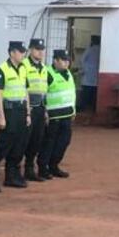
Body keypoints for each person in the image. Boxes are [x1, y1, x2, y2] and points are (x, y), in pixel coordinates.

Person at [0, 40, 30, 190]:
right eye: (21, 52)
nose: (23, 54)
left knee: (19, 144)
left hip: (21, 110)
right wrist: (1, 116)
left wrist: (28, 113)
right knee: (3, 144)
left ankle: (11, 176)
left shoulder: (23, 68)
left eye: (24, 52)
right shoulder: (2, 70)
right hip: (9, 110)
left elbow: (25, 91)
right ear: (12, 53)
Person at [41, 49, 78, 179]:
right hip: (53, 116)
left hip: (67, 114)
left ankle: (54, 165)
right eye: (63, 60)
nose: (67, 63)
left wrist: (73, 110)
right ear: (55, 60)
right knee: (49, 142)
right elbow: (42, 95)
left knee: (64, 141)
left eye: (68, 60)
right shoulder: (47, 73)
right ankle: (43, 167)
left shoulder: (68, 73)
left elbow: (71, 93)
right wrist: (45, 112)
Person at [22, 37, 50, 182]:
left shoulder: (44, 68)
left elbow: (44, 91)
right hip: (28, 108)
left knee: (37, 140)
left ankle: (29, 168)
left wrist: (45, 110)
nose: (40, 52)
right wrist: (27, 110)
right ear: (31, 50)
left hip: (40, 108)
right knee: (24, 139)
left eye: (42, 50)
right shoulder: (24, 65)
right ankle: (16, 169)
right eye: (37, 49)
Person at [78, 35, 100, 113]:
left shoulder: (89, 49)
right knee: (94, 95)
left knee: (85, 95)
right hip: (96, 76)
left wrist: (83, 69)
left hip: (87, 76)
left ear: (92, 41)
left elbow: (81, 60)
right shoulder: (101, 50)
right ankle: (94, 108)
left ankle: (82, 108)